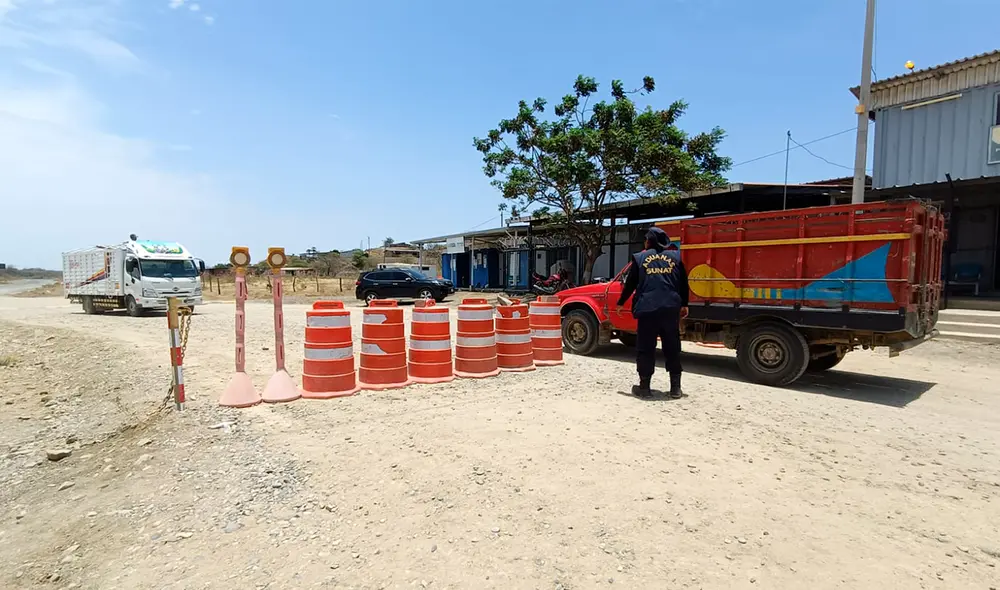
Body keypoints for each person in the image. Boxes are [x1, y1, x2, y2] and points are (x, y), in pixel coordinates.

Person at [616, 226, 689, 398]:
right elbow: (683, 283)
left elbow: (631, 283)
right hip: (670, 309)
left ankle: (645, 388)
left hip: (648, 309)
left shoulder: (640, 258)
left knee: (646, 348)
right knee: (672, 347)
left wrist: (621, 302)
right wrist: (684, 304)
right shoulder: (676, 258)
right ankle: (675, 388)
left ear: (649, 241)